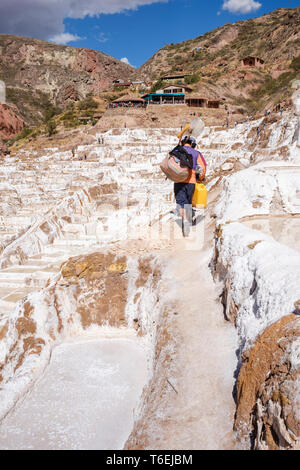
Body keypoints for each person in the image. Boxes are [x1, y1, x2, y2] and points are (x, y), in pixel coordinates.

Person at [174, 136, 206, 237]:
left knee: (181, 202)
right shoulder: (197, 153)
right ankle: (187, 221)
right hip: (191, 181)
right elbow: (203, 168)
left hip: (179, 180)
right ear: (192, 143)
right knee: (188, 202)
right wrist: (200, 178)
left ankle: (184, 222)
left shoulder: (177, 150)